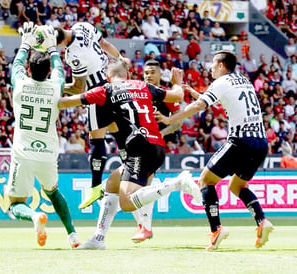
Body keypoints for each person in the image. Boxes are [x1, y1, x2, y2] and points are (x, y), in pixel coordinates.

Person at [58, 61, 201, 249]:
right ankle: (98, 239)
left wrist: (49, 90)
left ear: (108, 77)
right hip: (157, 145)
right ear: (127, 74)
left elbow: (66, 102)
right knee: (112, 183)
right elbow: (178, 95)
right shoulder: (143, 86)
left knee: (126, 203)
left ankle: (178, 183)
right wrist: (176, 81)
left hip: (139, 148)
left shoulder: (105, 89)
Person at [158, 50, 274, 250]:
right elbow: (224, 105)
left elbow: (198, 106)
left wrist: (170, 119)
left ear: (221, 65)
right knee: (237, 186)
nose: (210, 67)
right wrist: (197, 94)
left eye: (213, 63)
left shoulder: (221, 82)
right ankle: (262, 221)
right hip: (260, 143)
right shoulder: (243, 81)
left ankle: (216, 230)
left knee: (205, 180)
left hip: (241, 140)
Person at [5, 22, 80, 248]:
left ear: (30, 68)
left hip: (23, 152)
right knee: (54, 192)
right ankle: (72, 234)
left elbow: (15, 65)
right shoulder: (56, 86)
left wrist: (25, 43)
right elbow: (59, 70)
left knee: (15, 204)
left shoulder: (20, 84)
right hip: (48, 152)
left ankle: (34, 217)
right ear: (47, 71)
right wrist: (52, 47)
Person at [55, 22, 128, 209]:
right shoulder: (82, 26)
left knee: (96, 138)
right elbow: (104, 44)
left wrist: (55, 86)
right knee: (117, 130)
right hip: (113, 83)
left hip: (97, 92)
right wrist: (120, 58)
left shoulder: (73, 55)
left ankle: (96, 187)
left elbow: (79, 88)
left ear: (61, 43)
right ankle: (131, 168)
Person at [129, 59, 183, 244]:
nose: (148, 75)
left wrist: (159, 133)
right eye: (146, 72)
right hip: (134, 144)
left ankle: (145, 227)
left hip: (151, 147)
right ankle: (143, 226)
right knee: (137, 187)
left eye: (152, 72)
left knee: (140, 185)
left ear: (161, 75)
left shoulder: (164, 95)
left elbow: (178, 122)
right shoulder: (137, 91)